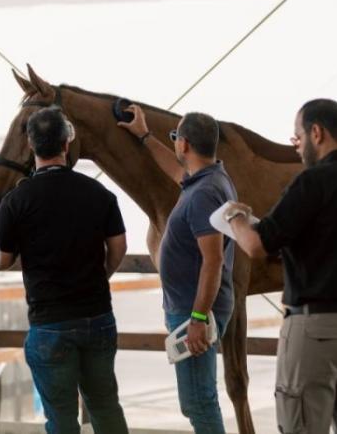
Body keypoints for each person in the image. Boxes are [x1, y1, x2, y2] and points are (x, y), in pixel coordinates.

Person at [223, 99, 337, 434]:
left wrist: (235, 217)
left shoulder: (310, 183)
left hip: (316, 328)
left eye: (297, 137)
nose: (297, 147)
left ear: (316, 132)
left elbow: (257, 245)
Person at [0, 108, 129, 434]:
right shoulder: (99, 194)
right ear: (66, 143)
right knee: (105, 407)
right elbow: (119, 248)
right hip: (97, 316)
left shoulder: (16, 200)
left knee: (61, 419)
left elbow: (1, 259)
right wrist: (101, 275)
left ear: (31, 146)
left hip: (49, 323)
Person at [119, 105, 236, 434]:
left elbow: (213, 260)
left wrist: (198, 318)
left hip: (194, 313)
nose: (174, 145)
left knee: (200, 401)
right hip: (190, 309)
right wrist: (144, 135)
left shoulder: (204, 194)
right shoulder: (208, 179)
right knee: (195, 400)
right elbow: (175, 171)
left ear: (184, 144)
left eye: (175, 138)